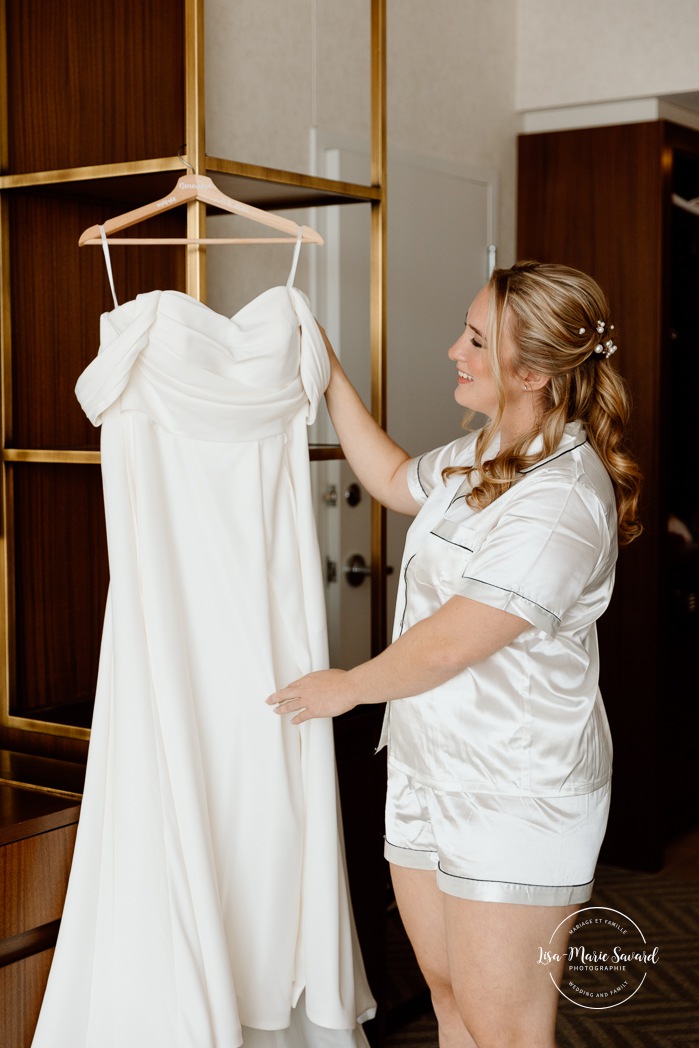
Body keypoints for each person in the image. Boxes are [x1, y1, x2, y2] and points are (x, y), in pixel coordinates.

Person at [267, 261, 642, 1048]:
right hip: (428, 767)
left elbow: (454, 641)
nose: (453, 352)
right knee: (449, 1001)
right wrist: (329, 371)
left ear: (532, 373)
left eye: (475, 340)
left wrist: (349, 686)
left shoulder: (561, 497)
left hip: (515, 792)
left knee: (504, 1026)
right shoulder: (488, 450)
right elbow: (393, 478)